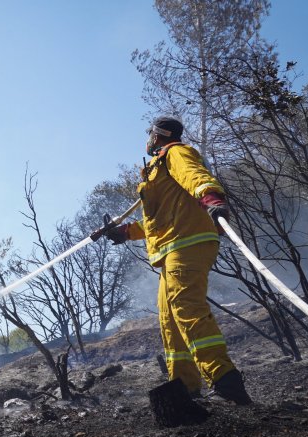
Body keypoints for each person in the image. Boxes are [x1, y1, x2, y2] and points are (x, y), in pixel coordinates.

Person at [105, 116, 252, 405]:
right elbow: (159, 220)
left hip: (189, 243)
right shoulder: (156, 169)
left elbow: (194, 175)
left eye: (149, 133)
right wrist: (125, 232)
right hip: (173, 246)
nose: (147, 139)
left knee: (187, 308)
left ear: (158, 135)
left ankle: (225, 381)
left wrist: (210, 197)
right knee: (169, 320)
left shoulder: (175, 152)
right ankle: (185, 388)